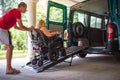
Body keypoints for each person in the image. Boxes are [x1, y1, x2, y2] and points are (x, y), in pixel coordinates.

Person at [0, 2, 34, 74]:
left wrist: (27, 29)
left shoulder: (14, 12)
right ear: (21, 6)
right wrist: (29, 29)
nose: (26, 10)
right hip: (2, 28)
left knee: (9, 47)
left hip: (3, 28)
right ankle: (8, 69)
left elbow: (16, 27)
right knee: (10, 47)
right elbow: (21, 26)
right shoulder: (17, 12)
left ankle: (9, 68)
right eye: (25, 8)